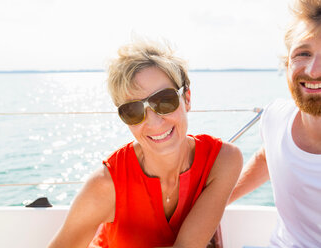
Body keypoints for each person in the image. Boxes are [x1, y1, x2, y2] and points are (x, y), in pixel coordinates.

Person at [49, 40, 242, 248]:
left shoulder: (223, 161)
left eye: (165, 100)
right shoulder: (105, 186)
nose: (153, 122)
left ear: (187, 98)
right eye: (133, 110)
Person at [229, 0, 321, 247]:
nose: (313, 71)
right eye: (303, 53)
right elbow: (270, 156)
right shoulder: (276, 118)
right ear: (287, 63)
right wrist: (215, 204)